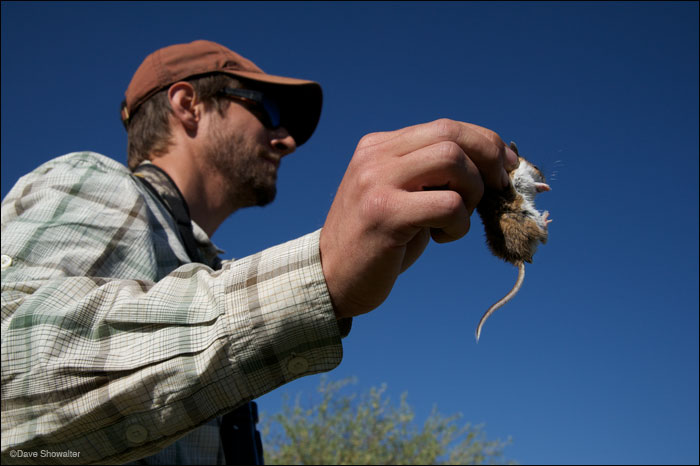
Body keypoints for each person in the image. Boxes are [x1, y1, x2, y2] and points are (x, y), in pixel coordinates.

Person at [0, 40, 518, 464]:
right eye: (267, 111)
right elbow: (12, 387)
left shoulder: (204, 272)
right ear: (188, 105)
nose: (286, 139)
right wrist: (320, 274)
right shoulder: (96, 182)